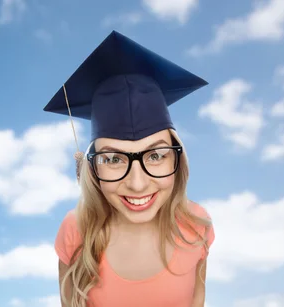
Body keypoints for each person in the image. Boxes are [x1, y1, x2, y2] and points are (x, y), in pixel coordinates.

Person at [43, 31, 216, 307]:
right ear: (90, 168)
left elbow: (197, 299)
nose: (137, 184)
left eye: (157, 155)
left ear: (178, 160)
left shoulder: (196, 225)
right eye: (113, 159)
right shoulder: (76, 231)